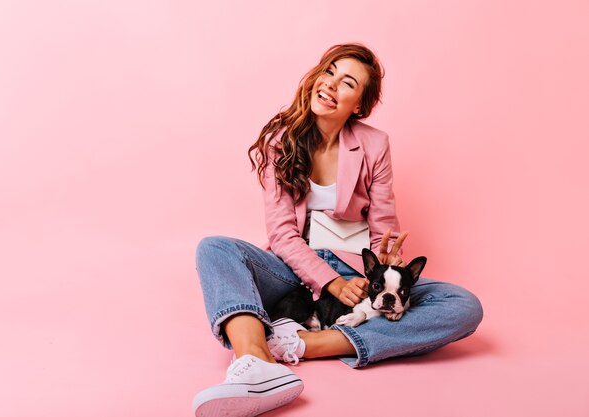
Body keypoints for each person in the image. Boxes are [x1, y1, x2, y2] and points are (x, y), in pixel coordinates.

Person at [192, 43, 483, 417]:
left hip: (359, 273)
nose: (330, 84)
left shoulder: (374, 144)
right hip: (293, 271)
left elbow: (383, 228)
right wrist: (331, 283)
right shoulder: (279, 141)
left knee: (463, 306)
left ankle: (302, 344)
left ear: (358, 105)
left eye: (347, 82)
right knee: (214, 248)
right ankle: (255, 362)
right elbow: (282, 234)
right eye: (329, 71)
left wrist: (384, 262)